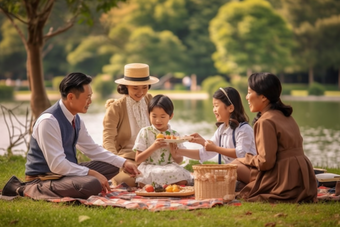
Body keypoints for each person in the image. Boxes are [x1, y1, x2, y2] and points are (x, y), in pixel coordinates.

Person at [1, 72, 140, 200]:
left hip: (64, 175)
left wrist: (123, 162)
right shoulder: (49, 121)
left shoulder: (76, 119)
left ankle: (79, 182)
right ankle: (25, 188)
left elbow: (92, 149)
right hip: (44, 178)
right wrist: (92, 173)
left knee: (113, 165)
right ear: (71, 97)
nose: (90, 101)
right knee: (92, 184)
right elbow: (57, 165)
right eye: (88, 97)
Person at [231, 72, 317, 203]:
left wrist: (247, 158)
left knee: (234, 165)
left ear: (264, 97)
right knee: (239, 166)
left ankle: (254, 186)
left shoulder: (265, 121)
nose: (247, 97)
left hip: (285, 179)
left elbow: (266, 162)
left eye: (249, 92)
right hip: (302, 178)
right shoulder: (286, 115)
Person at [102, 63, 159, 187]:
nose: (141, 92)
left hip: (153, 157)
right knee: (129, 181)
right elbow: (108, 141)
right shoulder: (116, 108)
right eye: (135, 88)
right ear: (126, 86)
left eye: (145, 87)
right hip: (127, 160)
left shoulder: (150, 100)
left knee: (174, 176)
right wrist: (119, 162)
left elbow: (162, 126)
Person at [175, 87, 256, 165]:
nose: (214, 110)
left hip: (248, 171)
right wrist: (178, 151)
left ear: (230, 108)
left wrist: (215, 148)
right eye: (213, 106)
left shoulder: (244, 129)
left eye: (216, 105)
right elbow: (204, 153)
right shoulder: (222, 129)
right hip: (232, 172)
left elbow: (241, 154)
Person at [133, 94, 192, 187]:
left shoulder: (174, 135)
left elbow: (179, 161)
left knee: (180, 175)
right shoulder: (145, 132)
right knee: (142, 180)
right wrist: (153, 147)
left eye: (163, 116)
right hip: (150, 166)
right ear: (149, 114)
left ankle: (159, 187)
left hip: (169, 167)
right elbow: (138, 159)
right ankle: (166, 186)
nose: (158, 120)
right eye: (154, 116)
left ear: (171, 116)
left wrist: (174, 153)